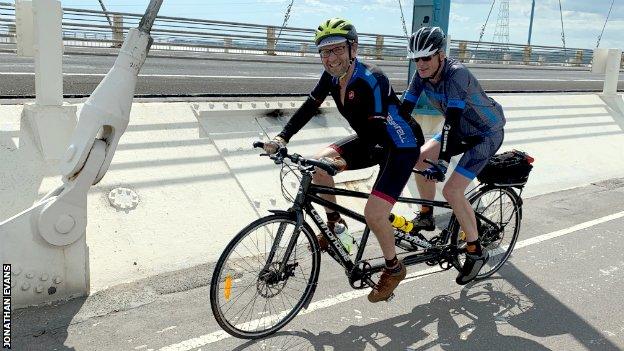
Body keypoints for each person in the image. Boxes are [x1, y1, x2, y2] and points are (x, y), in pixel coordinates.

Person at [263, 18, 424, 302]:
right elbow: (308, 107)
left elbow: (375, 133)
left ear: (353, 49)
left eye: (337, 49)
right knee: (316, 165)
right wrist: (281, 138)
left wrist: (340, 163)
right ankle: (336, 226)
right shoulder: (331, 77)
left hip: (399, 145)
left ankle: (393, 268)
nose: (330, 57)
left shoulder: (372, 78)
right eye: (325, 52)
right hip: (370, 139)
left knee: (374, 214)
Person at [400, 26, 506, 285]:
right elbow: (404, 111)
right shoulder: (422, 76)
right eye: (416, 59)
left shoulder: (457, 74)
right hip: (458, 131)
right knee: (418, 158)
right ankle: (426, 215)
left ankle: (475, 250)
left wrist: (443, 163)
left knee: (451, 191)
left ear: (441, 55)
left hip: (484, 133)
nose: (420, 64)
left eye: (426, 58)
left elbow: (451, 122)